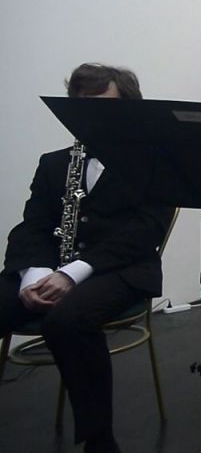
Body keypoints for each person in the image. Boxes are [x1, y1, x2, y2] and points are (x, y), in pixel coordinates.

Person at [0, 63, 175, 453]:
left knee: (68, 320)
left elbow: (142, 234)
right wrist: (34, 275)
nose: (89, 117)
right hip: (51, 268)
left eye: (102, 107)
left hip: (122, 270)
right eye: (80, 107)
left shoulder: (154, 164)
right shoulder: (54, 164)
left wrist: (71, 274)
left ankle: (99, 439)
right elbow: (31, 227)